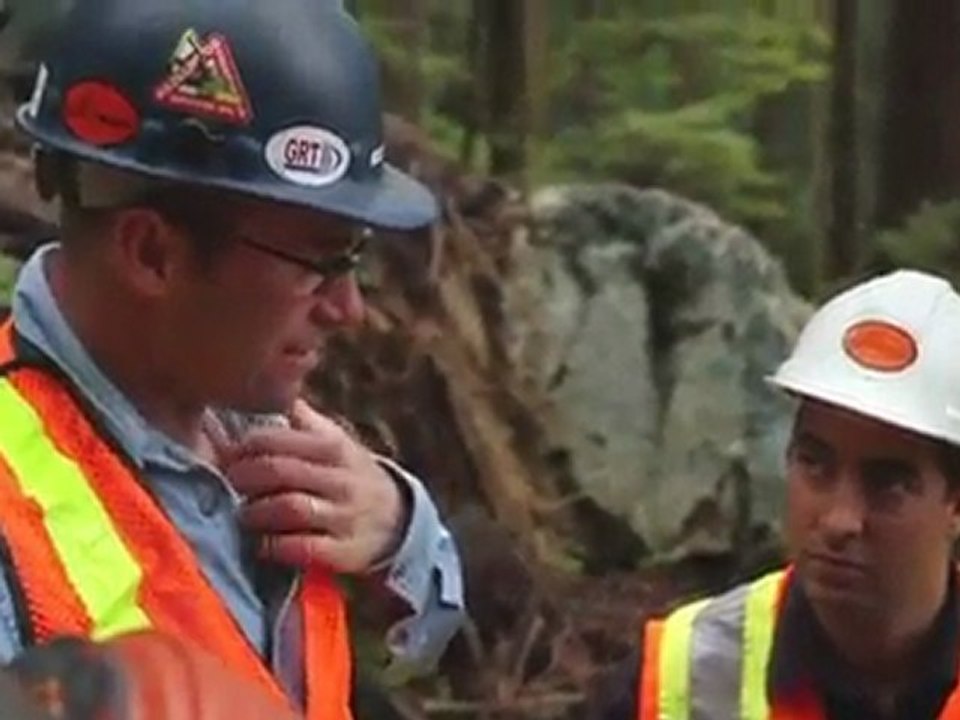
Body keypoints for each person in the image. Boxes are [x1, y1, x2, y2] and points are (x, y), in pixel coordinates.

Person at [0, 0, 465, 718]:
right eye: (316, 262)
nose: (349, 309)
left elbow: (393, 663)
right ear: (152, 254)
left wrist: (397, 538)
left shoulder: (246, 412)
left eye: (355, 257)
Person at [592, 269, 960, 720]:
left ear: (955, 503)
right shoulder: (682, 681)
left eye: (888, 485)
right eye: (816, 465)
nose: (840, 520)